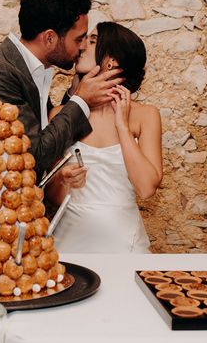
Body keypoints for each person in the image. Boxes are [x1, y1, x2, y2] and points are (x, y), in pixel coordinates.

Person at [0, 0, 123, 254]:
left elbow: (44, 130)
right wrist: (82, 101)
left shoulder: (35, 70)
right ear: (49, 38)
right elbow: (33, 152)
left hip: (18, 220)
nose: (83, 46)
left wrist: (73, 97)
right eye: (78, 38)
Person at [46, 22, 163, 254]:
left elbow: (147, 188)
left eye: (92, 41)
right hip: (68, 241)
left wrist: (122, 126)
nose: (81, 47)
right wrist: (63, 180)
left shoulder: (146, 116)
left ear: (111, 61)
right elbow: (52, 197)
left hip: (124, 242)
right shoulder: (61, 115)